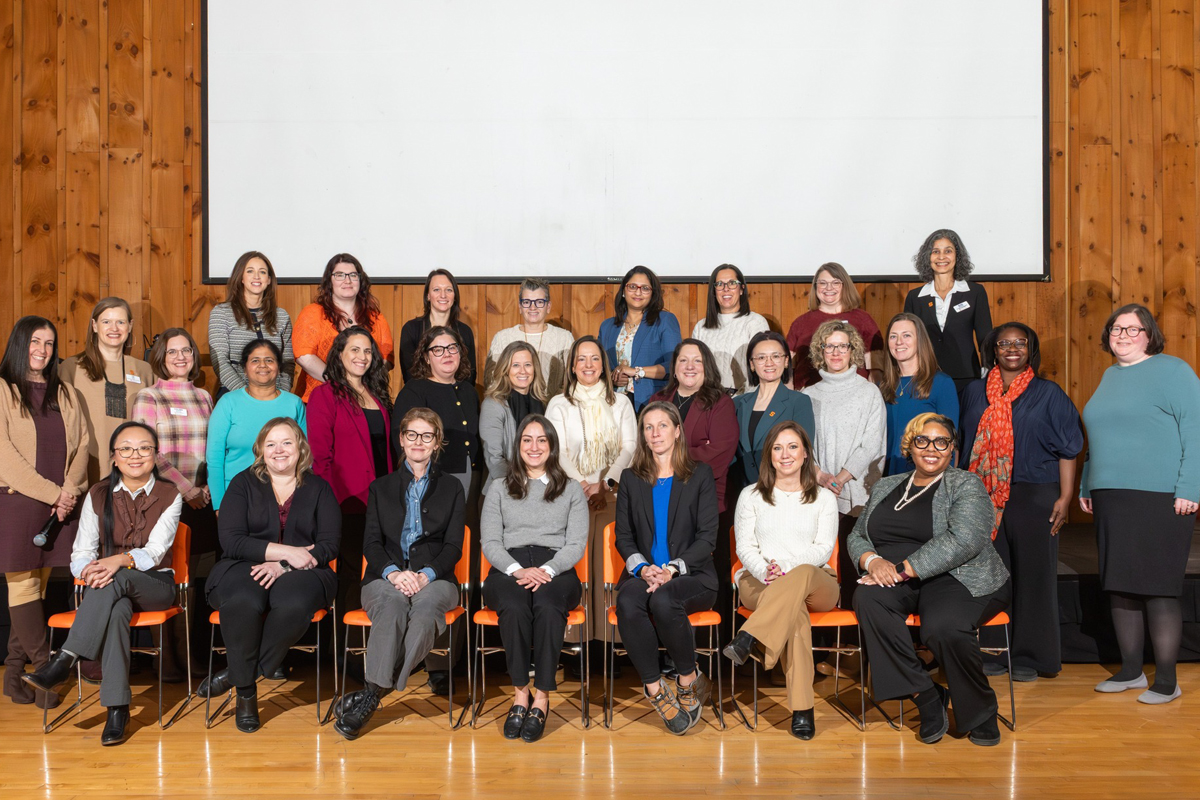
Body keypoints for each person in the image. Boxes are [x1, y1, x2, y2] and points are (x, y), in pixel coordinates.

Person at [849, 413, 1010, 746]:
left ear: (952, 449)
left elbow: (965, 539)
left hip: (959, 577)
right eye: (923, 440)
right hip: (900, 577)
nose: (931, 448)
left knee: (943, 627)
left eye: (942, 442)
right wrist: (873, 560)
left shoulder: (966, 484)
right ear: (910, 446)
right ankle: (925, 694)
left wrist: (903, 568)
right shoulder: (885, 486)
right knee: (868, 599)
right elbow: (857, 535)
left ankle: (980, 709)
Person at [23, 422, 182, 745]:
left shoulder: (171, 494)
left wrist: (116, 562)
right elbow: (81, 552)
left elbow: (154, 552)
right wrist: (90, 571)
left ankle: (64, 659)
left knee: (118, 579)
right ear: (114, 457)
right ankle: (117, 709)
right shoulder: (98, 493)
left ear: (155, 454)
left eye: (143, 448)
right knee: (117, 608)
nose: (134, 455)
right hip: (109, 587)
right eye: (125, 448)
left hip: (155, 586)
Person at [1079, 304, 1200, 705]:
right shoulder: (1110, 375)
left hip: (1161, 496)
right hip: (1111, 495)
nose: (1123, 335)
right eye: (1117, 328)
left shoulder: (1174, 370)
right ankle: (1131, 670)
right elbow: (1098, 438)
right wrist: (1086, 483)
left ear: (1149, 334)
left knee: (1158, 588)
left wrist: (1191, 487)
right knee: (1120, 586)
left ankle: (1166, 678)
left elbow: (1195, 432)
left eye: (1133, 329)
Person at [198, 418, 340, 733]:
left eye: (287, 442)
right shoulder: (241, 483)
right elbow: (232, 541)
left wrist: (287, 565)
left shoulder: (319, 488)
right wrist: (286, 552)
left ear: (300, 448)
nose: (279, 450)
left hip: (305, 571)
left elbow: (329, 545)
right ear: (261, 450)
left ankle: (237, 676)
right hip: (242, 565)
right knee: (243, 600)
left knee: (292, 603)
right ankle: (247, 696)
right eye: (271, 443)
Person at [959, 322, 1082, 682]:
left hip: (1035, 494)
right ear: (991, 350)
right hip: (983, 497)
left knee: (1035, 577)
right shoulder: (973, 392)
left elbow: (1069, 447)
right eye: (1003, 344)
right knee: (993, 577)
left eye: (1020, 343)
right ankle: (995, 650)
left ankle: (1033, 656)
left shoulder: (1049, 393)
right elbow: (962, 446)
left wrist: (1066, 495)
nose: (1012, 349)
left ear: (1031, 349)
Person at [333, 408, 465, 740]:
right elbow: (371, 543)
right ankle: (375, 692)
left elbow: (453, 547)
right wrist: (394, 574)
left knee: (424, 613)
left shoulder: (452, 488)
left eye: (427, 436)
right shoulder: (381, 487)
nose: (418, 442)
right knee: (390, 607)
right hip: (384, 576)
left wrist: (426, 575)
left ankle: (371, 695)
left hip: (436, 580)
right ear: (401, 440)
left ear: (437, 443)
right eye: (412, 435)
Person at [723, 422, 839, 740]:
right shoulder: (751, 496)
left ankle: (750, 637)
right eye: (777, 448)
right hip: (760, 580)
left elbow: (822, 549)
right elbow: (744, 546)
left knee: (800, 578)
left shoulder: (825, 499)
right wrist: (764, 571)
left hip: (816, 580)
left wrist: (785, 567)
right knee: (795, 612)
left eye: (791, 447)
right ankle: (803, 710)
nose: (784, 454)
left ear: (805, 454)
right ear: (769, 456)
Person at [480, 415, 588, 742]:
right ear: (518, 445)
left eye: (542, 440)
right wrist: (517, 570)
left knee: (548, 604)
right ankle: (520, 693)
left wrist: (549, 570)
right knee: (513, 606)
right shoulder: (499, 488)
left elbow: (576, 543)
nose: (534, 446)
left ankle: (542, 696)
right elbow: (491, 542)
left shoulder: (570, 489)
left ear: (552, 446)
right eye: (527, 439)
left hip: (555, 567)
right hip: (508, 567)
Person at [0, 317, 88, 709]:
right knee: (22, 587)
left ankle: (13, 673)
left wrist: (68, 492)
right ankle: (44, 673)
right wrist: (54, 493)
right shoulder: (2, 390)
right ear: (20, 344)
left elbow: (83, 444)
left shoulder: (64, 392)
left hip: (61, 506)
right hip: (17, 501)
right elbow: (3, 456)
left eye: (50, 343)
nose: (43, 349)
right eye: (35, 341)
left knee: (39, 586)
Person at [615, 401, 718, 734]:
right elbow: (624, 536)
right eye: (648, 427)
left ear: (677, 431)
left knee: (664, 600)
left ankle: (687, 678)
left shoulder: (699, 474)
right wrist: (644, 568)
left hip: (693, 575)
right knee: (628, 602)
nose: (655, 433)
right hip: (643, 572)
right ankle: (655, 689)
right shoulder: (630, 479)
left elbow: (707, 538)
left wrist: (672, 570)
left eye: (662, 426)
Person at [132, 328, 215, 677]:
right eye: (172, 352)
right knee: (163, 575)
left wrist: (208, 486)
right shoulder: (148, 396)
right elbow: (147, 450)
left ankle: (186, 651)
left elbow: (214, 447)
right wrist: (186, 489)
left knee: (189, 578)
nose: (181, 357)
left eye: (186, 351)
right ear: (161, 359)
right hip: (164, 498)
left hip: (201, 500)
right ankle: (164, 657)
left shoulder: (205, 397)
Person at [545, 336, 637, 648]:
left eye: (595, 359)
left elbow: (630, 447)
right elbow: (554, 448)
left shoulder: (621, 402)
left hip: (610, 495)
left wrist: (606, 482)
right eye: (581, 359)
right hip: (571, 496)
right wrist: (581, 483)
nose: (588, 365)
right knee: (577, 563)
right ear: (572, 366)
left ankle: (612, 639)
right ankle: (576, 640)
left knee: (609, 564)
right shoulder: (559, 404)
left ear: (603, 365)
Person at [307, 327, 394, 619]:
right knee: (353, 574)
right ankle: (350, 658)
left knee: (380, 572)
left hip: (383, 501)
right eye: (354, 350)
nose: (362, 356)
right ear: (339, 354)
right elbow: (320, 457)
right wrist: (330, 503)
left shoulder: (377, 395)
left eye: (368, 351)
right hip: (347, 502)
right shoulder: (324, 395)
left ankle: (377, 650)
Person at [801, 320, 886, 603]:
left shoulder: (868, 392)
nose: (836, 352)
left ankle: (851, 637)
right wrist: (820, 476)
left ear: (853, 351)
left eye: (842, 346)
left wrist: (840, 478)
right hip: (818, 493)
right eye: (829, 346)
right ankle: (821, 640)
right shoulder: (808, 395)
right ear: (820, 351)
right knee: (820, 569)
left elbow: (872, 444)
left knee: (852, 570)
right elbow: (803, 446)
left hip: (857, 496)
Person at [59, 297, 155, 483]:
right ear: (94, 326)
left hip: (133, 471)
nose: (114, 328)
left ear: (130, 325)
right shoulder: (72, 367)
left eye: (120, 322)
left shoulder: (144, 370)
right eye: (106, 322)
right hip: (86, 469)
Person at [206, 340, 307, 511]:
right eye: (255, 360)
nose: (263, 365)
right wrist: (220, 505)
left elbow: (305, 456)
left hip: (287, 497)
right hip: (238, 497)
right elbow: (214, 459)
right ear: (244, 369)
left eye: (269, 360)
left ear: (279, 366)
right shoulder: (228, 403)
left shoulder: (294, 404)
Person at [649, 340, 738, 515]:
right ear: (674, 368)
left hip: (703, 496)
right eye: (683, 360)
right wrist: (697, 449)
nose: (690, 366)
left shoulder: (720, 403)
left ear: (707, 367)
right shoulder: (657, 400)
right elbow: (646, 445)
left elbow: (719, 451)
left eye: (697, 361)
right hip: (659, 491)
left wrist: (667, 455)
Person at [294, 253, 395, 403]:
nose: (347, 280)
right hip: (320, 398)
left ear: (360, 280)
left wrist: (361, 384)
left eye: (353, 275)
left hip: (365, 398)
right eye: (340, 275)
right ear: (330, 281)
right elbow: (304, 356)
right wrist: (342, 384)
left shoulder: (376, 317)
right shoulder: (313, 313)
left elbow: (386, 358)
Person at [391, 326, 478, 499]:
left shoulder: (469, 390)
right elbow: (400, 437)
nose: (447, 354)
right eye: (438, 350)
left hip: (471, 474)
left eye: (452, 348)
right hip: (431, 477)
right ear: (426, 358)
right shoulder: (415, 390)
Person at [902, 229, 993, 393]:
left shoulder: (975, 293)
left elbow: (985, 338)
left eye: (948, 251)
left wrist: (989, 371)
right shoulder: (915, 297)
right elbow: (910, 339)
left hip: (966, 377)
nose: (941, 257)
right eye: (935, 251)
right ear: (927, 257)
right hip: (925, 376)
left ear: (958, 256)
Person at [880, 313, 959, 477]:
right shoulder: (882, 386)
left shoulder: (941, 383)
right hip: (886, 476)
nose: (899, 342)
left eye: (906, 335)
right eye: (893, 336)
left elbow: (950, 442)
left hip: (923, 476)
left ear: (920, 341)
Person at [207, 251, 294, 396]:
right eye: (250, 271)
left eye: (262, 272)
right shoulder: (221, 313)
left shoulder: (282, 316)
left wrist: (280, 395)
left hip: (275, 395)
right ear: (241, 277)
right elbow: (220, 362)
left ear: (269, 280)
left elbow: (288, 363)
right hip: (235, 394)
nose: (257, 276)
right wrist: (246, 396)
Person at [734, 331, 817, 484]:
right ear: (751, 364)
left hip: (781, 490)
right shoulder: (737, 403)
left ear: (786, 361)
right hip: (742, 491)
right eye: (761, 357)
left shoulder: (798, 402)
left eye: (776, 356)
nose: (769, 362)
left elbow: (803, 452)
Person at [598, 266, 682, 412]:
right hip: (613, 402)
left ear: (652, 293)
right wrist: (613, 378)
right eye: (632, 287)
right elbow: (600, 366)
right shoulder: (607, 326)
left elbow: (674, 364)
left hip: (651, 401)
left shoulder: (665, 321)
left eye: (645, 288)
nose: (638, 292)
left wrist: (635, 371)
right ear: (623, 291)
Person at [786, 263, 883, 389]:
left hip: (853, 394)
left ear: (845, 285)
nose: (829, 287)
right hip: (808, 397)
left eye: (835, 282)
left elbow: (876, 370)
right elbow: (786, 369)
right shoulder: (801, 323)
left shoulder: (863, 320)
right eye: (823, 283)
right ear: (815, 287)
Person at [479, 341, 547, 496]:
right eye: (515, 365)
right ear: (505, 369)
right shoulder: (494, 404)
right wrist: (519, 487)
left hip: (540, 490)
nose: (523, 371)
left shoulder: (542, 403)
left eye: (528, 365)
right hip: (506, 490)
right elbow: (494, 457)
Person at [485, 279, 574, 395]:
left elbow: (572, 381)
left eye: (540, 302)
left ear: (548, 306)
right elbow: (491, 382)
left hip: (552, 409)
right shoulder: (502, 338)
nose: (533, 307)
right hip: (512, 409)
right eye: (527, 302)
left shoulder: (564, 338)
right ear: (520, 306)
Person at [690, 264, 769, 394]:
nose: (726, 289)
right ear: (714, 291)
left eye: (732, 283)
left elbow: (762, 365)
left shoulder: (756, 322)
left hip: (745, 397)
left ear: (742, 289)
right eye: (720, 284)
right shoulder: (701, 327)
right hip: (708, 398)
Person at [399, 269, 477, 387]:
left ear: (455, 295)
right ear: (428, 296)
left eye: (448, 290)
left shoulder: (465, 331)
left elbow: (470, 375)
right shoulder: (411, 329)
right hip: (422, 397)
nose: (443, 295)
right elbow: (410, 375)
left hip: (457, 396)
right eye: (436, 290)